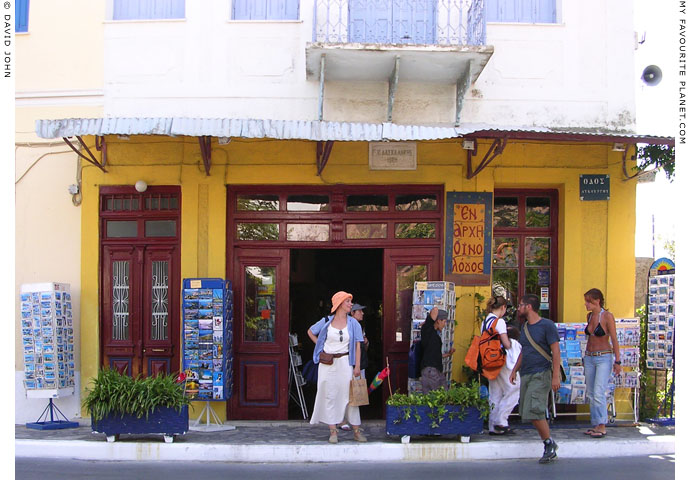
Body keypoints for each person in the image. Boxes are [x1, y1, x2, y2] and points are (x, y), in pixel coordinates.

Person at [308, 291, 367, 444]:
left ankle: (356, 430)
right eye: (348, 302)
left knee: (350, 396)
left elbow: (357, 346)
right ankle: (333, 431)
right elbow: (310, 331)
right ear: (340, 304)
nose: (351, 304)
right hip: (327, 364)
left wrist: (357, 366)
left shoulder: (353, 323)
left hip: (345, 362)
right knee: (329, 395)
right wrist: (320, 346)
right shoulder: (327, 320)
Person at [510, 294, 560, 464]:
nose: (519, 308)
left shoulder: (547, 326)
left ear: (529, 307)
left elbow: (556, 352)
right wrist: (514, 370)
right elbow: (524, 352)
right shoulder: (524, 328)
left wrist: (555, 377)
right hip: (527, 373)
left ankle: (549, 444)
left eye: (521, 305)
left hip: (541, 373)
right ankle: (549, 442)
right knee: (529, 412)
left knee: (535, 409)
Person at [582, 288, 622, 438]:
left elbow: (614, 339)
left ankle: (602, 424)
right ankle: (596, 423)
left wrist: (617, 361)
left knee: (599, 391)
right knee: (591, 392)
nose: (586, 305)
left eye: (589, 302)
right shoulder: (589, 316)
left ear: (597, 301)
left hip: (603, 356)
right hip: (590, 356)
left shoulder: (607, 316)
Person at [483, 296, 517, 435]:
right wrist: (513, 342)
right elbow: (506, 344)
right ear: (503, 308)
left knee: (495, 393)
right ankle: (501, 421)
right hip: (499, 361)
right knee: (514, 388)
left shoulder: (486, 321)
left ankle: (493, 426)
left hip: (487, 361)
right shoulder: (500, 322)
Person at [339, 302, 368, 432]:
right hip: (351, 364)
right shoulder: (347, 326)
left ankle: (355, 422)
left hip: (360, 363)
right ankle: (342, 419)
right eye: (359, 311)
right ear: (352, 313)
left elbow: (362, 347)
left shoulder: (359, 327)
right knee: (346, 392)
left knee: (356, 393)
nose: (362, 313)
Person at [420, 307, 455, 394]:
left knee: (445, 394)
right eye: (444, 321)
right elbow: (435, 309)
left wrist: (448, 354)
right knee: (434, 397)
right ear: (438, 320)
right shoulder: (428, 330)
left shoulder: (435, 335)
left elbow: (435, 354)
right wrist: (429, 320)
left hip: (437, 370)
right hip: (430, 371)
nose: (445, 324)